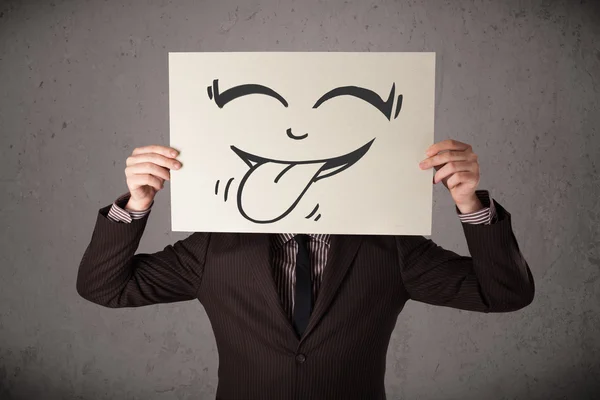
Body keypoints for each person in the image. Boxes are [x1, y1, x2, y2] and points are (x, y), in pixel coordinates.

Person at [76, 139, 535, 400]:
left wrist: (468, 204)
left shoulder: (390, 247)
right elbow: (105, 288)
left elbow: (504, 293)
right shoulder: (215, 247)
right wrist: (136, 204)